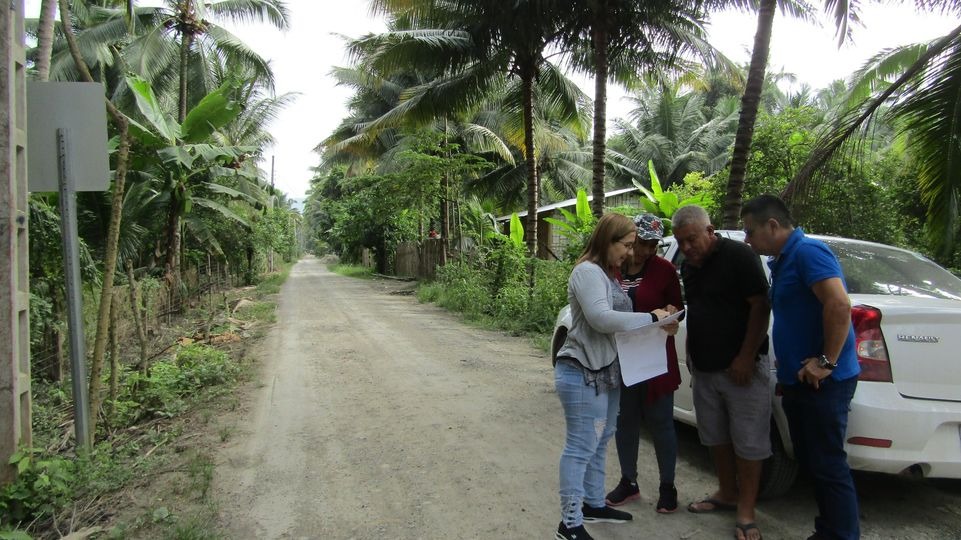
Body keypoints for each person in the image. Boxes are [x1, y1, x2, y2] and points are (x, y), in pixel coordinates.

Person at [740, 195, 861, 540]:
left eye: (750, 231)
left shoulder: (808, 252)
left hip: (824, 384)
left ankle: (841, 535)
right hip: (799, 381)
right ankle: (828, 530)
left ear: (772, 226)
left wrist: (826, 361)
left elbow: (839, 305)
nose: (747, 240)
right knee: (813, 462)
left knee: (828, 464)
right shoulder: (782, 260)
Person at [553, 212, 677, 540]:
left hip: (605, 372)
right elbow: (601, 318)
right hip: (581, 371)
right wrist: (651, 317)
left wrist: (660, 321)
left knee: (601, 438)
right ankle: (569, 523)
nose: (630, 252)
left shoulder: (608, 274)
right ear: (608, 241)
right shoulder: (587, 272)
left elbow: (619, 321)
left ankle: (593, 503)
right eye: (626, 245)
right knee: (581, 446)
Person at [673, 205, 771, 540]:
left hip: (741, 369)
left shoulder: (740, 256)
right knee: (715, 436)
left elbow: (760, 305)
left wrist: (746, 357)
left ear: (710, 230)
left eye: (691, 239)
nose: (686, 247)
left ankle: (746, 510)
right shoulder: (688, 266)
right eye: (680, 242)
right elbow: (698, 309)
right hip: (705, 367)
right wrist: (691, 351)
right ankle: (727, 493)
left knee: (749, 441)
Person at [604, 213, 683, 514]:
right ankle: (629, 481)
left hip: (655, 358)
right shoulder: (613, 267)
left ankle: (667, 486)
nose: (647, 250)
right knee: (625, 421)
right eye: (641, 243)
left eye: (653, 245)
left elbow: (677, 308)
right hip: (622, 358)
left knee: (661, 422)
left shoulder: (664, 270)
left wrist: (673, 316)